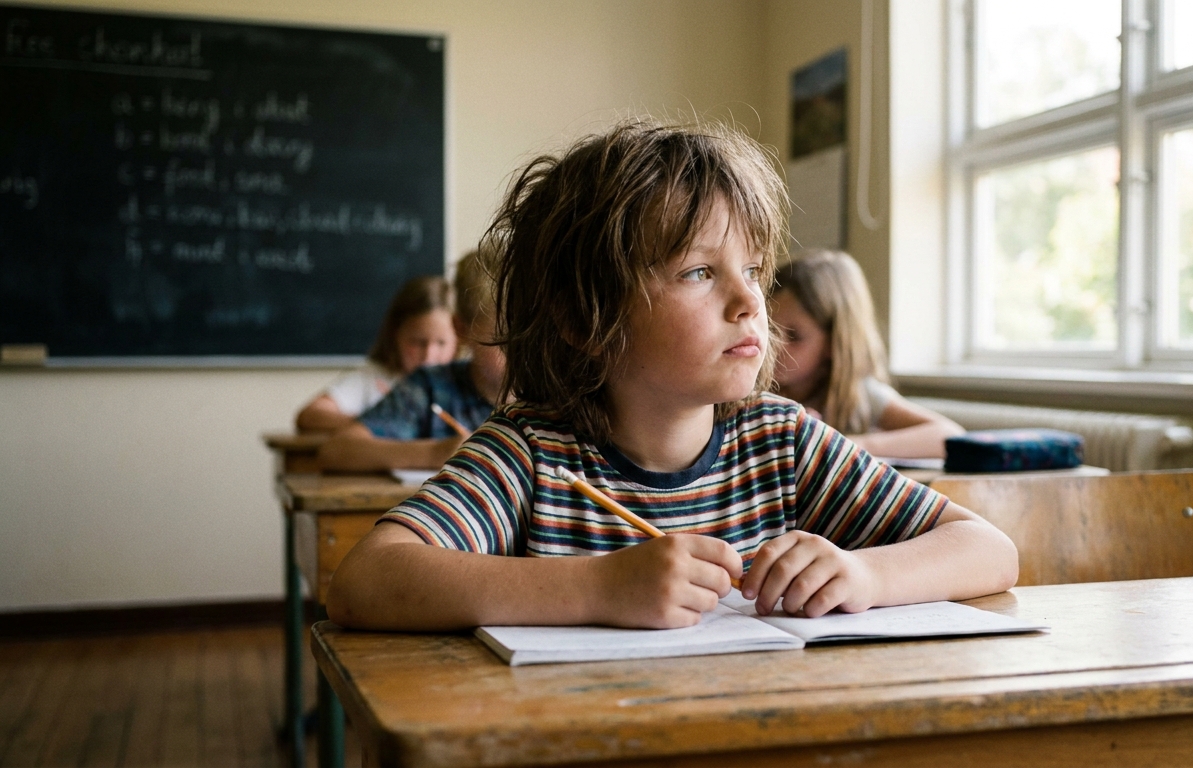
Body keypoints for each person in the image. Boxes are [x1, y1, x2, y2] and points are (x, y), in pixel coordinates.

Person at [326, 118, 1017, 632]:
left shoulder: (782, 442)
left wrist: (867, 572)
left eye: (753, 270)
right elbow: (365, 581)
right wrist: (597, 589)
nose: (751, 301)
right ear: (584, 321)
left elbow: (987, 549)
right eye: (698, 272)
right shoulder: (532, 452)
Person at [317, 250, 506, 471]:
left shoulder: (549, 395)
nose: (524, 355)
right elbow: (336, 451)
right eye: (503, 342)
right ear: (461, 330)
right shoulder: (427, 388)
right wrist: (436, 452)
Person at [771, 250, 966, 458]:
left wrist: (841, 444)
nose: (772, 346)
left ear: (833, 343)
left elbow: (950, 436)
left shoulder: (859, 395)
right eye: (769, 328)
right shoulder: (752, 391)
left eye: (794, 337)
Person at [295, 276, 458, 433]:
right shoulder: (371, 379)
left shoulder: (461, 383)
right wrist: (377, 423)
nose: (429, 356)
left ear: (460, 339)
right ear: (395, 335)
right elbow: (310, 416)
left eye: (441, 343)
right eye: (417, 342)